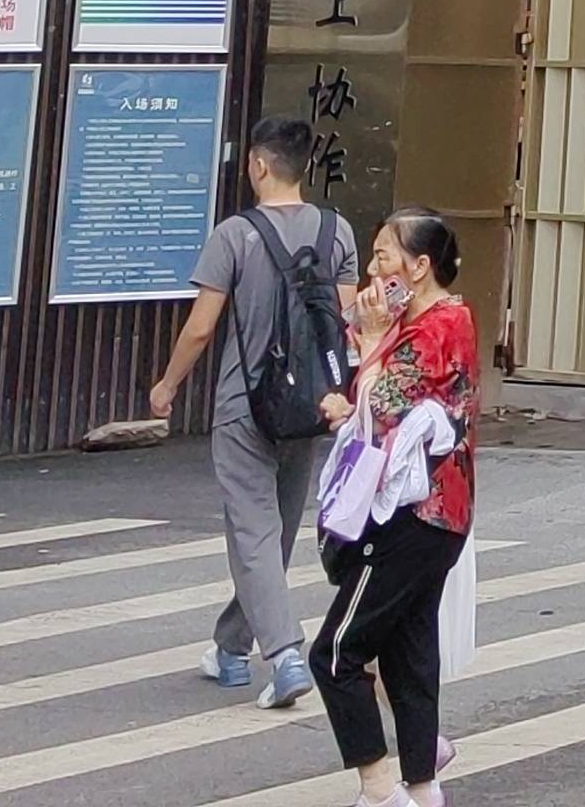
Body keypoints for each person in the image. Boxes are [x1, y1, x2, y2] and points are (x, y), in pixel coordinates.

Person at [147, 116, 356, 707]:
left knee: (253, 530)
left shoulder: (234, 235)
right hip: (311, 403)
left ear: (259, 164)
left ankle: (285, 656)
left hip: (245, 403)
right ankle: (232, 647)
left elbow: (201, 328)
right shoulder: (336, 231)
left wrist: (167, 386)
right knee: (274, 533)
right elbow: (345, 324)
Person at [309, 210, 476, 807]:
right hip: (437, 516)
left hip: (410, 517)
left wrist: (375, 338)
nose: (374, 268)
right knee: (407, 654)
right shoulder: (429, 320)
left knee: (335, 654)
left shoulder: (438, 327)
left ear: (420, 266)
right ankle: (423, 787)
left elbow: (380, 404)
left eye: (384, 255)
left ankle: (379, 790)